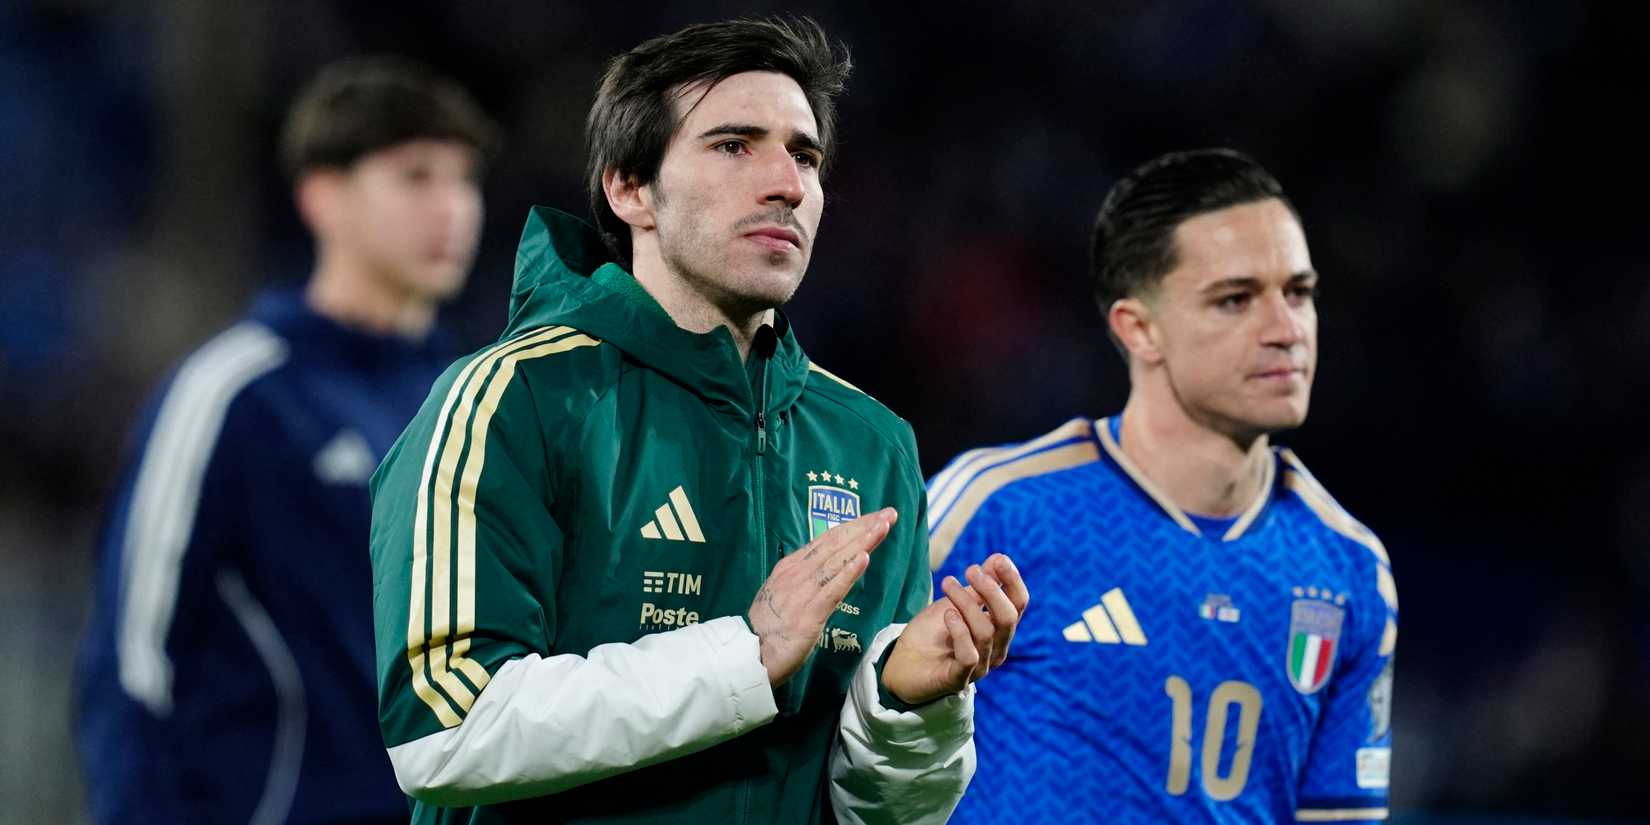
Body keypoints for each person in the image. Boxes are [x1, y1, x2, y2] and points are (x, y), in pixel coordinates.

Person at [367, 16, 1026, 825]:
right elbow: (445, 730)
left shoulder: (871, 441)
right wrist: (744, 656)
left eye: (805, 154)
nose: (786, 181)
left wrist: (904, 708)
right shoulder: (513, 398)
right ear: (630, 189)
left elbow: (882, 815)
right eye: (733, 145)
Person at [74, 57, 497, 824]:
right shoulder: (235, 393)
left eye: (463, 179)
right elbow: (133, 661)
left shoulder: (475, 405)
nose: (453, 209)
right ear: (324, 198)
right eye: (415, 176)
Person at [928, 149, 1398, 823]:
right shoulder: (997, 509)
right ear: (1139, 328)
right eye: (1236, 299)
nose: (1286, 328)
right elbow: (847, 732)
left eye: (1298, 292)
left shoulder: (1349, 567)